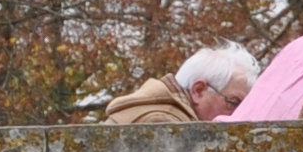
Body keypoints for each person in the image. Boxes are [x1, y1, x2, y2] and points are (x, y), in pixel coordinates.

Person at [97, 46, 259, 126]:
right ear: (199, 90)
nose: (238, 114)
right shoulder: (162, 122)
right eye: (234, 102)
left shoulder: (160, 113)